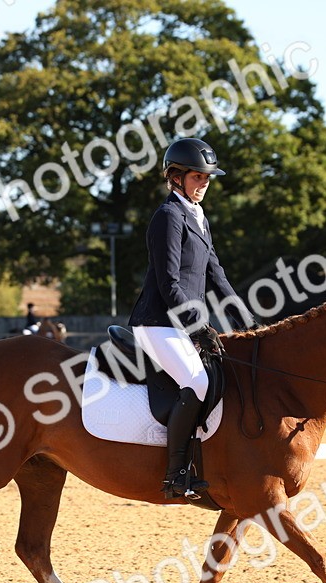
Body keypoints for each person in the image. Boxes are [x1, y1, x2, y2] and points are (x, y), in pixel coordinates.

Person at [127, 138, 255, 499]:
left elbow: (216, 274)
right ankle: (176, 473)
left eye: (208, 178)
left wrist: (244, 318)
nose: (204, 184)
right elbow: (168, 283)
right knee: (197, 382)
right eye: (198, 177)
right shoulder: (168, 216)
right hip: (157, 322)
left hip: (182, 321)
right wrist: (199, 326)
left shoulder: (198, 216)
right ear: (176, 177)